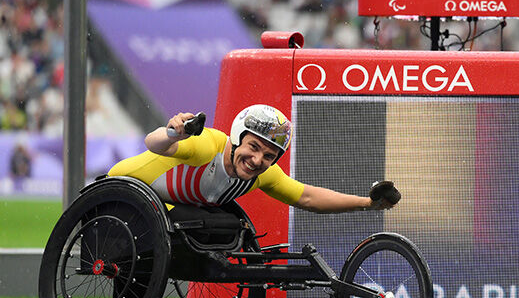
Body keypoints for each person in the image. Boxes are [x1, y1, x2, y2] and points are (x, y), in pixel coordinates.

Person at [108, 104, 394, 213]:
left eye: (269, 156)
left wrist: (367, 203)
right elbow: (153, 144)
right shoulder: (206, 147)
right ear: (236, 138)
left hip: (166, 208)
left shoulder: (263, 175)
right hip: (119, 189)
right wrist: (173, 133)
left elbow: (307, 198)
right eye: (253, 147)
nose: (257, 160)